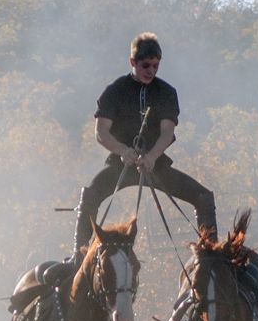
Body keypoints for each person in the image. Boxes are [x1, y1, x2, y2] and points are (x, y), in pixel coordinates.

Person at [71, 32, 217, 257]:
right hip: (121, 165)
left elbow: (167, 132)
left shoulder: (167, 92)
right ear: (133, 62)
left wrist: (152, 157)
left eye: (156, 66)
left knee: (204, 197)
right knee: (89, 195)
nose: (151, 71)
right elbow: (101, 132)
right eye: (146, 65)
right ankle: (78, 257)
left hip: (154, 166)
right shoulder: (115, 91)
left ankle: (211, 258)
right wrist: (123, 151)